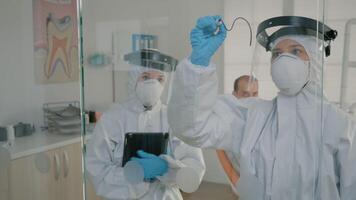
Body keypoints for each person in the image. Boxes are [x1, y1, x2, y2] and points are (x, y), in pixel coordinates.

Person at [167, 15, 356, 199]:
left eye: (296, 51)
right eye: (277, 54)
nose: (284, 60)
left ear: (315, 60)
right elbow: (193, 128)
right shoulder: (253, 115)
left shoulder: (340, 125)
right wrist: (197, 65)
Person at [85, 64, 206, 200]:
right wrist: (134, 174)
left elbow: (194, 169)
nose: (153, 85)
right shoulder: (112, 119)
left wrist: (167, 169)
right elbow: (97, 169)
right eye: (146, 77)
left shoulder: (175, 119)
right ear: (133, 80)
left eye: (160, 79)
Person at [216, 75, 258, 195]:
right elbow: (226, 162)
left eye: (255, 94)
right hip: (244, 188)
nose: (252, 99)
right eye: (245, 94)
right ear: (235, 94)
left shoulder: (262, 117)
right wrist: (243, 189)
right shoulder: (225, 123)